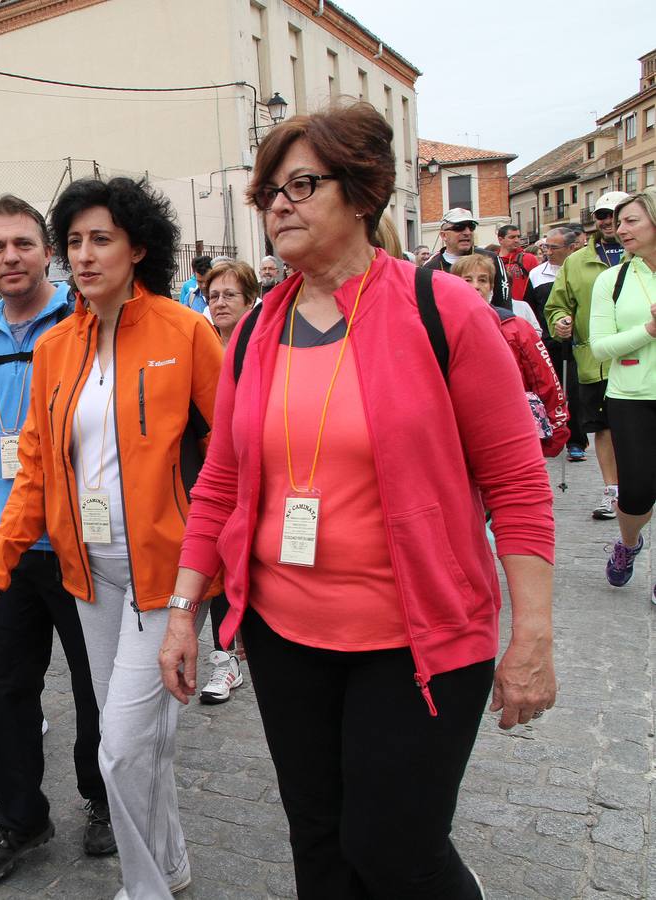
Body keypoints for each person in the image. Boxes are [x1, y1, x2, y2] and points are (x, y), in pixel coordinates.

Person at [158, 100, 556, 900]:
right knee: (320, 844)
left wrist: (532, 637)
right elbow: (221, 486)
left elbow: (516, 484)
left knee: (395, 851)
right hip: (285, 636)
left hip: (417, 642)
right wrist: (181, 609)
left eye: (300, 184)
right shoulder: (258, 330)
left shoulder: (441, 311)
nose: (277, 203)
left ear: (363, 193)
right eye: (268, 188)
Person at [0, 176, 224, 898]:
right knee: (144, 746)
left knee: (118, 750)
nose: (83, 255)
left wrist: (223, 576)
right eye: (74, 240)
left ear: (137, 247)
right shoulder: (56, 348)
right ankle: (170, 867)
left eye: (100, 239)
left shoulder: (185, 332)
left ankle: (143, 890)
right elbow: (35, 475)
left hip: (166, 577)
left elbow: (234, 458)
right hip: (89, 577)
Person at [0, 195, 112, 884]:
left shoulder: (83, 321)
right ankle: (19, 818)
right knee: (0, 688)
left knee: (95, 687)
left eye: (22, 243)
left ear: (47, 250)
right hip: (4, 547)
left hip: (83, 542)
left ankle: (105, 800)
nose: (10, 258)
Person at [197, 260, 259, 704]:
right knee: (217, 560)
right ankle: (226, 657)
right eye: (213, 295)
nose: (219, 303)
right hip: (206, 477)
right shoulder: (199, 347)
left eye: (229, 296)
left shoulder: (262, 346)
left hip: (251, 474)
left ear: (250, 301)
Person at [545, 190, 629, 519]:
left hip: (642, 359)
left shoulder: (644, 255)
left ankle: (637, 484)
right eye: (602, 216)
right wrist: (560, 322)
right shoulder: (577, 262)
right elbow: (557, 305)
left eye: (617, 214)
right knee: (605, 428)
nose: (609, 221)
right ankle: (613, 491)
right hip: (596, 360)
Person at [590, 188, 656, 603]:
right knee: (636, 493)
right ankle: (629, 542)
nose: (621, 228)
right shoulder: (611, 280)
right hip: (631, 396)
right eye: (619, 222)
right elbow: (599, 346)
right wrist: (647, 332)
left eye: (631, 220)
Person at [451, 254, 568, 455]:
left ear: (492, 287)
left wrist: (557, 425)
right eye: (467, 280)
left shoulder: (515, 327)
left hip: (511, 425)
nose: (476, 286)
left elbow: (544, 377)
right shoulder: (439, 329)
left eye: (483, 280)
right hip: (461, 429)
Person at [527, 227, 588, 460]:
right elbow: (531, 307)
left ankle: (577, 441)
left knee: (575, 391)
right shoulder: (537, 274)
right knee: (549, 392)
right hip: (548, 341)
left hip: (576, 342)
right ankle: (549, 436)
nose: (548, 252)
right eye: (546, 247)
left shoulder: (580, 271)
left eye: (554, 247)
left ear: (572, 248)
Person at [424, 208, 511, 310]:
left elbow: (504, 302)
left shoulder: (491, 259)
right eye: (459, 227)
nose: (467, 232)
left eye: (471, 227)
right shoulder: (430, 268)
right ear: (444, 235)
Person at [498, 224, 540, 305]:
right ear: (500, 240)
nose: (517, 240)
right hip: (500, 307)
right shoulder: (493, 260)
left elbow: (537, 286)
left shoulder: (529, 259)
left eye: (518, 236)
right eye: (512, 237)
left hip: (524, 307)